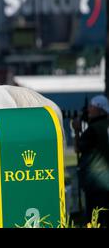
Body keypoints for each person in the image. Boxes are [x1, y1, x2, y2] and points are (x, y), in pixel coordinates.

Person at [72, 94, 109, 227]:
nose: (88, 110)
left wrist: (76, 130)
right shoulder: (104, 125)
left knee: (94, 217)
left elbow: (78, 148)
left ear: (99, 109)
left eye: (91, 107)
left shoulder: (94, 129)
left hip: (95, 181)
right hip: (105, 181)